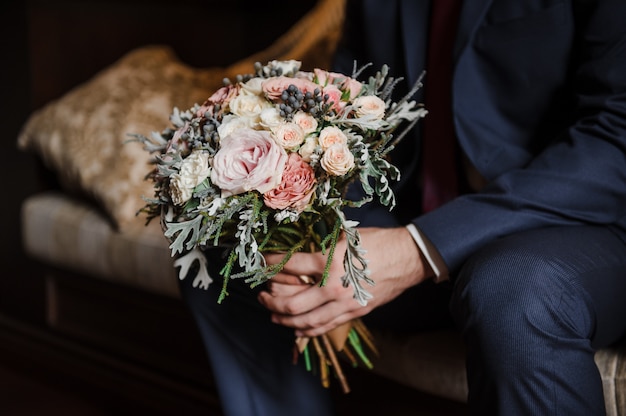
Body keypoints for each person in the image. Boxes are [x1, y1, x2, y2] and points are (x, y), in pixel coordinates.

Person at [179, 0, 626, 414]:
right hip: (419, 212)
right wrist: (331, 241)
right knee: (233, 253)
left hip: (586, 223)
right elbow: (352, 121)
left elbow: (615, 139)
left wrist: (417, 249)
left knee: (514, 287)